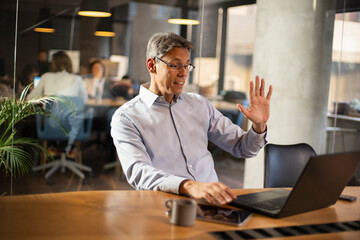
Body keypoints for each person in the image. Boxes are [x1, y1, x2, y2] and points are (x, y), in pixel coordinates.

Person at [110, 32, 273, 205]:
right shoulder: (127, 117)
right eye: (175, 65)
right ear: (152, 65)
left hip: (214, 203)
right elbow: (138, 172)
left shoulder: (200, 104)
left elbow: (243, 148)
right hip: (166, 206)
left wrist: (259, 126)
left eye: (187, 66)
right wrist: (188, 186)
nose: (183, 73)